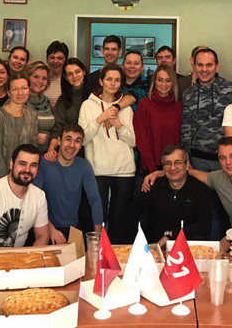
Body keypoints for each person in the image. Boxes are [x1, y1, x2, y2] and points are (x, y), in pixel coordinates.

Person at [145, 137, 232, 231]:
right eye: (223, 158)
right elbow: (187, 171)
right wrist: (162, 172)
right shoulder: (219, 178)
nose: (228, 162)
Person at [79, 64, 136, 243]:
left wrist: (118, 124)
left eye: (117, 80)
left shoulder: (125, 107)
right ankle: (98, 256)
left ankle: (117, 256)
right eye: (109, 79)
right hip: (98, 170)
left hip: (124, 170)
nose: (113, 83)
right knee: (98, 219)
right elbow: (82, 139)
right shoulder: (87, 105)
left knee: (119, 221)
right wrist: (100, 119)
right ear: (101, 81)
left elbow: (133, 141)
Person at [34, 124, 103, 243]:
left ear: (80, 145)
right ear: (59, 141)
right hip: (44, 227)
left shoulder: (84, 165)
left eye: (77, 141)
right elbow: (33, 200)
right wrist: (50, 229)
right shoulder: (45, 163)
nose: (72, 145)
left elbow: (95, 199)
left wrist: (98, 237)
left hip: (73, 228)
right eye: (68, 139)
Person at [0, 144, 49, 247]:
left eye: (33, 165)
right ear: (12, 164)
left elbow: (43, 236)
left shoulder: (39, 196)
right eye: (22, 164)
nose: (27, 170)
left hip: (17, 257)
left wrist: (33, 256)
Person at [140, 145, 212, 244]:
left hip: (189, 246)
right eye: (168, 163)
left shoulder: (201, 189)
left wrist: (171, 235)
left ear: (187, 165)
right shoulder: (152, 188)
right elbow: (141, 222)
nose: (173, 168)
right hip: (157, 246)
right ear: (163, 167)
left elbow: (205, 226)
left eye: (178, 163)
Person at [181, 47, 232, 173]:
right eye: (200, 65)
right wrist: (186, 157)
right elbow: (186, 127)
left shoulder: (230, 90)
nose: (204, 69)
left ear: (217, 66)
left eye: (209, 65)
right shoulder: (188, 94)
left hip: (225, 160)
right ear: (194, 65)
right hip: (197, 160)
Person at [0, 74, 41, 184]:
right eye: (15, 89)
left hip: (21, 178)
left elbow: (33, 148)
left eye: (24, 88)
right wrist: (9, 181)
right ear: (8, 93)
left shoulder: (32, 115)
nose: (20, 93)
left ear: (29, 90)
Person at [133, 65, 182, 174]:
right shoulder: (144, 105)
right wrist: (153, 169)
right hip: (152, 166)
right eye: (160, 80)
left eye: (168, 81)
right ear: (154, 81)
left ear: (173, 83)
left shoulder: (178, 106)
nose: (164, 84)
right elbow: (142, 140)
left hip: (175, 167)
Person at [24, 61, 54, 154]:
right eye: (36, 77)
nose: (40, 81)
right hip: (25, 155)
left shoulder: (46, 101)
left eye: (44, 78)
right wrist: (34, 137)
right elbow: (9, 132)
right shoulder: (18, 99)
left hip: (45, 156)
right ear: (27, 78)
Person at [45, 41, 69, 107]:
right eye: (52, 58)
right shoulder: (42, 79)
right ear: (47, 59)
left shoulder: (69, 80)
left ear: (65, 60)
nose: (55, 61)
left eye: (60, 58)